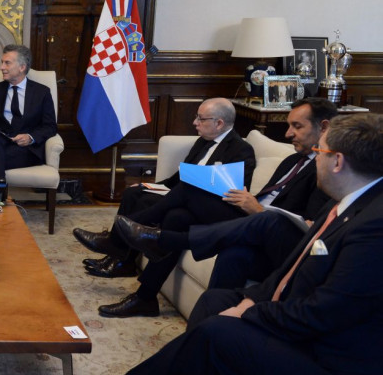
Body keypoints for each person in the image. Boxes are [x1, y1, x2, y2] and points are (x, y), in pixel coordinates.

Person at [60, 113, 383, 375]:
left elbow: (324, 314)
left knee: (216, 331)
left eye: (321, 150)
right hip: (308, 328)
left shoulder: (374, 226)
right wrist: (251, 298)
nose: (316, 157)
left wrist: (249, 312)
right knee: (215, 301)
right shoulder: (350, 202)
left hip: (331, 365)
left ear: (338, 161)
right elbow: (288, 275)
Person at [117, 98, 337, 291]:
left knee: (189, 187)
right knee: (177, 216)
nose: (288, 134)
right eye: (289, 126)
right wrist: (249, 202)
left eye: (296, 126)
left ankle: (136, 232)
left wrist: (258, 210)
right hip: (247, 214)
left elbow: (308, 224)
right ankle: (146, 295)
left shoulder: (325, 170)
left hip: (269, 228)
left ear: (323, 127)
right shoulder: (291, 160)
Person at [73, 97, 255, 278]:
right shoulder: (203, 141)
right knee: (133, 193)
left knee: (151, 202)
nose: (195, 122)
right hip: (181, 194)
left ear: (219, 123)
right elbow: (179, 178)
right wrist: (150, 185)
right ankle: (122, 260)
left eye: (201, 118)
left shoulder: (241, 150)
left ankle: (115, 241)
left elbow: (231, 190)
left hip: (206, 205)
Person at [0, 44, 57, 197]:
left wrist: (31, 138)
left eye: (7, 63)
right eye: (2, 62)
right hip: (0, 143)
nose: (2, 67)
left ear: (22, 67)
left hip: (26, 150)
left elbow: (50, 126)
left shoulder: (42, 92)